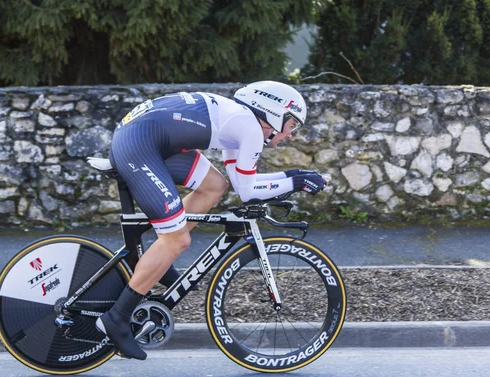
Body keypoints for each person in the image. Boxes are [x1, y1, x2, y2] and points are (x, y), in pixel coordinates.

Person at [95, 81, 328, 360]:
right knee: (177, 239)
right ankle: (116, 319)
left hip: (148, 138)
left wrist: (292, 176)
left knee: (214, 185)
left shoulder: (240, 123)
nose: (291, 134)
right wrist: (297, 181)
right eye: (292, 125)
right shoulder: (250, 128)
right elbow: (249, 191)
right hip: (140, 144)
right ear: (274, 114)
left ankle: (160, 258)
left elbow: (242, 184)